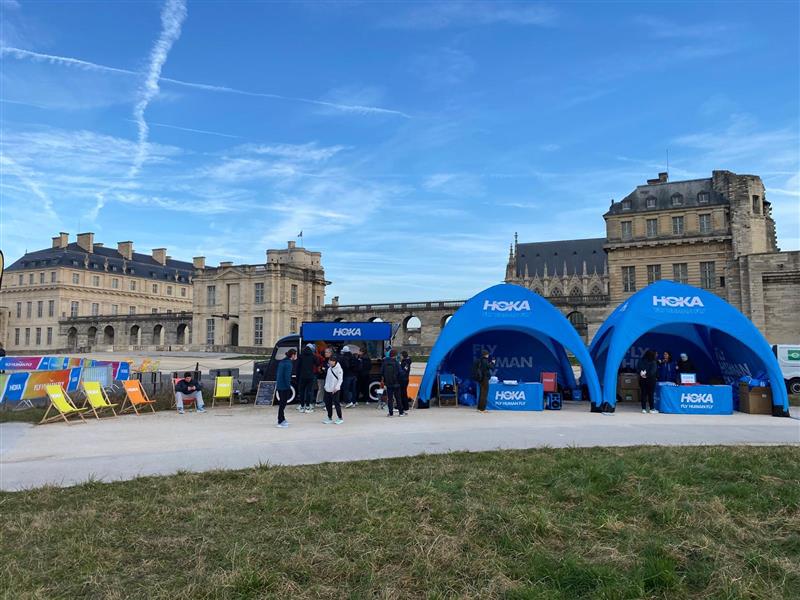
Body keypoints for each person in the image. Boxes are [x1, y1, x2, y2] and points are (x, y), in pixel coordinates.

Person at [276, 348, 296, 428]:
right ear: (293, 355)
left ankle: (282, 419)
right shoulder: (289, 363)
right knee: (283, 404)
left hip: (280, 385)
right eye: (295, 354)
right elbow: (287, 376)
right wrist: (288, 386)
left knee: (282, 403)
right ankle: (280, 420)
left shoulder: (282, 362)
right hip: (284, 386)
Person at [381, 350, 405, 417]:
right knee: (398, 398)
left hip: (388, 383)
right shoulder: (396, 363)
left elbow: (381, 372)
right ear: (395, 355)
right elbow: (401, 373)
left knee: (390, 398)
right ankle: (401, 412)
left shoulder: (384, 362)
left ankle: (391, 413)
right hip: (396, 383)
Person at [322, 355, 344, 425]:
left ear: (335, 361)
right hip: (327, 389)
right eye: (329, 361)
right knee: (328, 404)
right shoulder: (329, 369)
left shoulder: (339, 369)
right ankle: (329, 417)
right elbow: (327, 378)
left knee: (336, 404)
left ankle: (340, 418)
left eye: (331, 361)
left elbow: (340, 380)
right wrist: (325, 386)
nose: (330, 362)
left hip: (335, 390)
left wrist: (337, 388)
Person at [296, 343, 317, 414]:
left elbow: (298, 367)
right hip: (310, 376)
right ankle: (308, 406)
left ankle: (302, 406)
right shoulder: (313, 356)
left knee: (302, 391)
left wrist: (298, 375)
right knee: (309, 391)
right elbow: (317, 363)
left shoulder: (301, 356)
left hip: (302, 376)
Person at [638, 349, 659, 414]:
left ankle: (643, 409)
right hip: (651, 380)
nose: (656, 355)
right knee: (651, 394)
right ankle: (651, 409)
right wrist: (647, 375)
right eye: (655, 354)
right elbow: (652, 371)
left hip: (642, 379)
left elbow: (638, 368)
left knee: (643, 394)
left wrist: (642, 374)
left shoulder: (641, 360)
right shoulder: (653, 362)